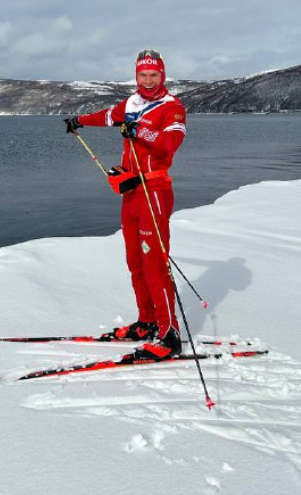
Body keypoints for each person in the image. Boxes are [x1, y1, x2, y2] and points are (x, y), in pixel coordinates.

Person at [64, 49, 186, 361]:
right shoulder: (132, 103)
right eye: (143, 75)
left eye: (154, 75)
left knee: (155, 264)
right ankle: (147, 322)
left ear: (162, 75)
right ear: (137, 76)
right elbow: (108, 116)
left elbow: (170, 142)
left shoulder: (172, 107)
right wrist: (79, 120)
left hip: (155, 190)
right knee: (135, 261)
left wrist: (139, 130)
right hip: (131, 190)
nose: (148, 81)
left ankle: (169, 334)